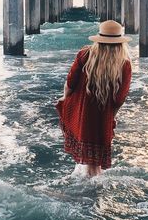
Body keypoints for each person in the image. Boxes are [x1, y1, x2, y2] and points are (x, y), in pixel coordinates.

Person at [56, 20, 132, 177]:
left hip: (81, 114)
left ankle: (85, 196)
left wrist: (65, 100)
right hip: (101, 118)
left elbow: (70, 84)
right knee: (95, 164)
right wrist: (111, 116)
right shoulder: (124, 64)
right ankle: (93, 194)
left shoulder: (85, 54)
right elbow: (120, 98)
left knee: (87, 163)